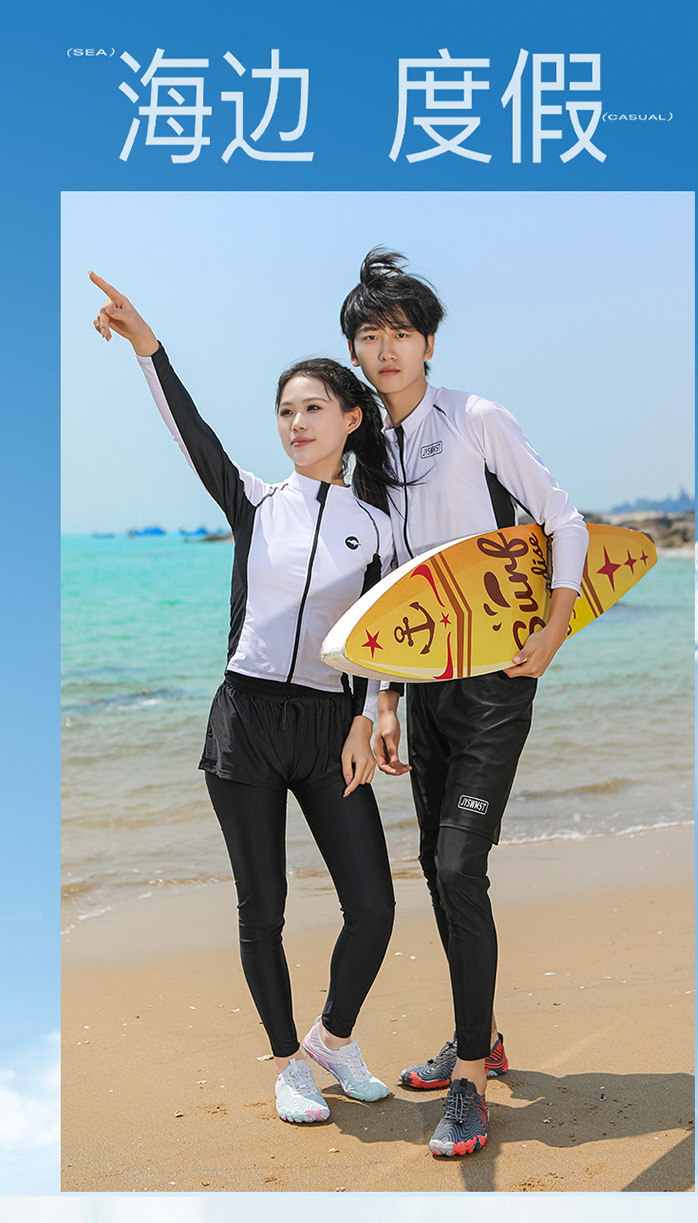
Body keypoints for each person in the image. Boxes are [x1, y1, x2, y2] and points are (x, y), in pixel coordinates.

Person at [90, 271, 399, 1127]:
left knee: (374, 906)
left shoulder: (377, 526)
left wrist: (369, 714)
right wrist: (149, 347)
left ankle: (332, 1039)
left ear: (351, 418)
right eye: (285, 411)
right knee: (263, 907)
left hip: (329, 728)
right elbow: (187, 429)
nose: (295, 423)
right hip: (247, 726)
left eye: (312, 408)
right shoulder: (256, 500)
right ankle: (288, 1064)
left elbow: (389, 634)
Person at [340, 249, 589, 1157]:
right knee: (435, 864)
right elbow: (387, 590)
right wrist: (382, 700)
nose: (388, 348)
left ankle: (471, 1084)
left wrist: (555, 629)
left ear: (429, 343)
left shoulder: (478, 418)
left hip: (495, 683)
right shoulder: (369, 452)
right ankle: (478, 1034)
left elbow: (564, 519)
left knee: (457, 866)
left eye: (402, 332)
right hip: (424, 687)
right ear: (356, 353)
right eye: (372, 336)